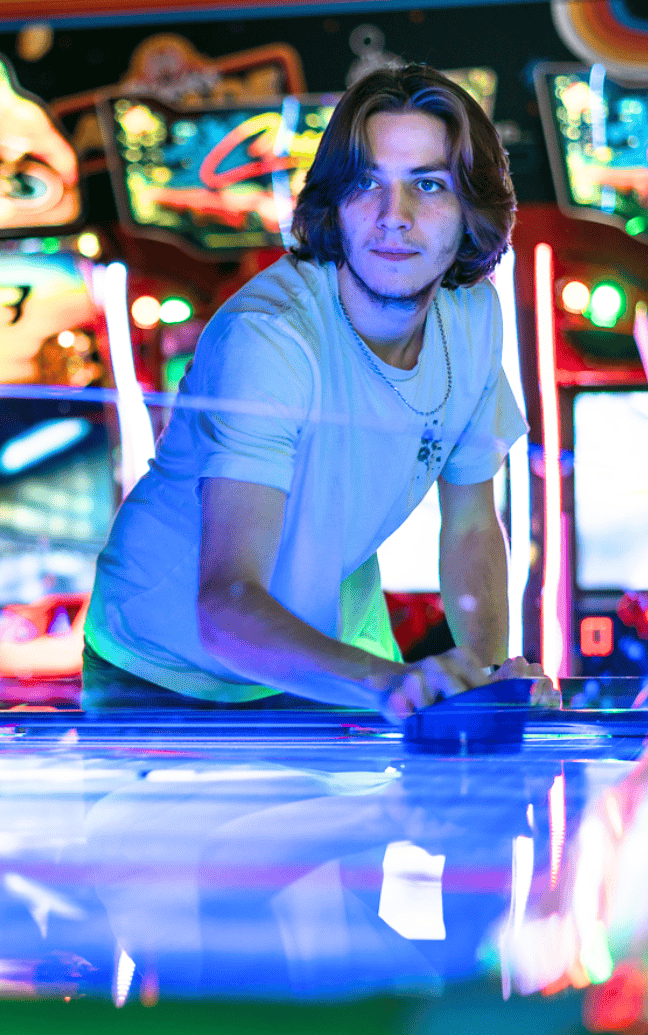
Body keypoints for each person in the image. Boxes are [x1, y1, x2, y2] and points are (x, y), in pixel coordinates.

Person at [83, 62, 554, 718]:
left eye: (429, 184)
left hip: (330, 637)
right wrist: (395, 685)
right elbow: (226, 605)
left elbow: (472, 524)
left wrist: (487, 677)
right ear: (332, 201)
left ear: (471, 211)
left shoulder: (473, 317)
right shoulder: (271, 338)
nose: (396, 217)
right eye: (368, 183)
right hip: (165, 663)